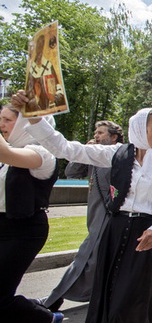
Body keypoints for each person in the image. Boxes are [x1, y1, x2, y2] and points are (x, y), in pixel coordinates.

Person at [15, 92, 152, 323]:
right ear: (139, 128)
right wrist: (34, 118)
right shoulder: (115, 154)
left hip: (148, 236)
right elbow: (66, 148)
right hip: (115, 230)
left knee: (130, 301)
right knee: (106, 300)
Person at [0, 104, 62, 323]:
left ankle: (43, 318)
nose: (1, 124)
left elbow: (11, 154)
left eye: (7, 120)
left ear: (26, 124)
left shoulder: (41, 153)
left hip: (24, 230)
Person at [40, 120, 124, 312]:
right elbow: (71, 172)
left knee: (86, 257)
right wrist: (84, 153)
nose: (96, 136)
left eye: (101, 133)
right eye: (96, 132)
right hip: (94, 215)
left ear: (113, 137)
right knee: (98, 257)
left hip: (108, 214)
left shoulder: (119, 156)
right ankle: (102, 293)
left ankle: (54, 299)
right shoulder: (92, 155)